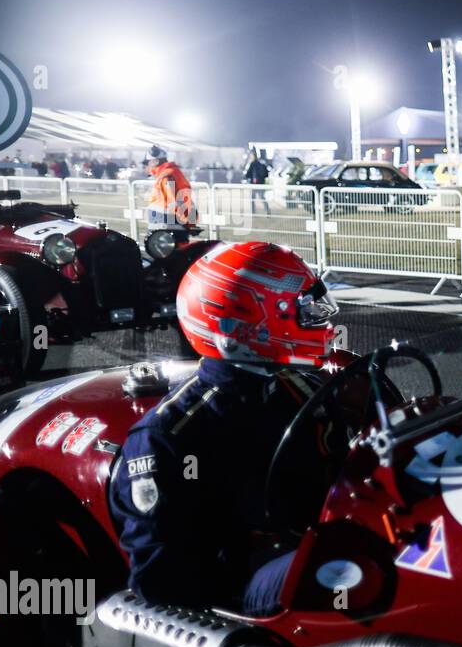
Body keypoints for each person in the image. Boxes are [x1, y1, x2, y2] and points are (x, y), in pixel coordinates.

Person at [108, 241, 340, 616]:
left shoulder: (297, 388)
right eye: (301, 309)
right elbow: (159, 577)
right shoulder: (167, 436)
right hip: (242, 585)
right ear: (252, 324)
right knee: (355, 561)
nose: (318, 319)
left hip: (310, 542)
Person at [144, 144, 198, 229]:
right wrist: (190, 222)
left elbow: (172, 201)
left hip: (166, 221)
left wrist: (186, 222)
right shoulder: (174, 172)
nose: (148, 165)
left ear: (156, 161)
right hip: (176, 219)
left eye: (149, 162)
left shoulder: (166, 176)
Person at [243, 148, 272, 216]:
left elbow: (248, 174)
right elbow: (266, 174)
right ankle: (267, 211)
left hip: (254, 184)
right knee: (263, 198)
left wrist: (247, 178)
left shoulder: (252, 164)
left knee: (252, 199)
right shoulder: (262, 163)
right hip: (261, 184)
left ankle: (253, 212)